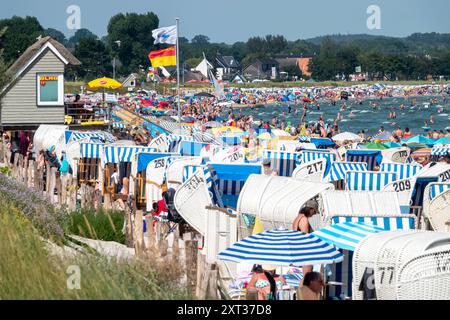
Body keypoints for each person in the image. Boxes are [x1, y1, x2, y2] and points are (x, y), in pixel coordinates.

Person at [292, 199, 319, 278]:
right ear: (310, 209)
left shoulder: (297, 218)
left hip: (298, 250)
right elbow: (305, 238)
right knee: (307, 276)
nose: (313, 214)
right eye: (314, 212)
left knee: (304, 277)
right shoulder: (304, 219)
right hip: (304, 251)